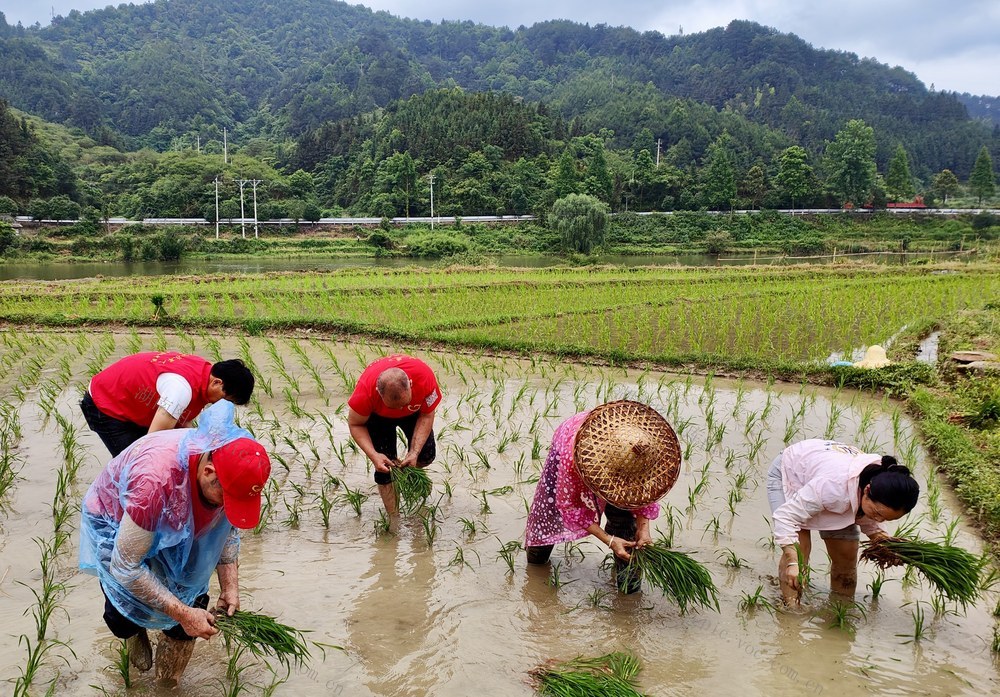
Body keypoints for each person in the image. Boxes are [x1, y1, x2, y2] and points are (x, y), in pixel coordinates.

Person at [79, 400, 271, 684]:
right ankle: (135, 632)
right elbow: (126, 566)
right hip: (120, 519)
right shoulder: (154, 482)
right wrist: (182, 613)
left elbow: (227, 529)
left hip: (183, 509)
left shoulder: (240, 457)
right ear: (209, 473)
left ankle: (168, 685)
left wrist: (230, 587)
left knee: (191, 601)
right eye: (227, 499)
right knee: (125, 613)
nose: (228, 507)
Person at [524, 400, 681, 593]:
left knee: (626, 530)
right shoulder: (572, 458)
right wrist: (608, 540)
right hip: (571, 445)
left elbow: (645, 495)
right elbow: (569, 507)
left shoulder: (645, 454)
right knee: (547, 518)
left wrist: (644, 529)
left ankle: (629, 593)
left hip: (623, 458)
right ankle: (536, 565)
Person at [767, 439, 920, 607]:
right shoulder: (834, 486)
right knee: (799, 552)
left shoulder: (881, 483)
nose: (878, 520)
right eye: (877, 514)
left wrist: (885, 542)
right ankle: (791, 611)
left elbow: (872, 519)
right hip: (793, 471)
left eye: (886, 519)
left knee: (846, 557)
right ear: (867, 490)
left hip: (831, 482)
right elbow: (786, 517)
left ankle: (842, 608)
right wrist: (792, 561)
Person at [81, 351, 255, 457]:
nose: (222, 405)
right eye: (226, 399)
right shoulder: (180, 390)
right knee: (138, 463)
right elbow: (153, 441)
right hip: (106, 403)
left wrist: (204, 447)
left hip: (132, 398)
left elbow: (182, 423)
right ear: (217, 383)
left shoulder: (204, 371)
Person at [347, 354, 441, 515]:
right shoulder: (366, 391)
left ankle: (406, 470)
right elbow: (355, 424)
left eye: (403, 404)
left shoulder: (425, 378)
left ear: (411, 385)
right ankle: (393, 519)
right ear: (378, 392)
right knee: (384, 470)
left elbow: (427, 415)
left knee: (426, 456)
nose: (399, 411)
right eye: (394, 407)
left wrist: (414, 452)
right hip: (379, 417)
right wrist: (374, 455)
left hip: (415, 412)